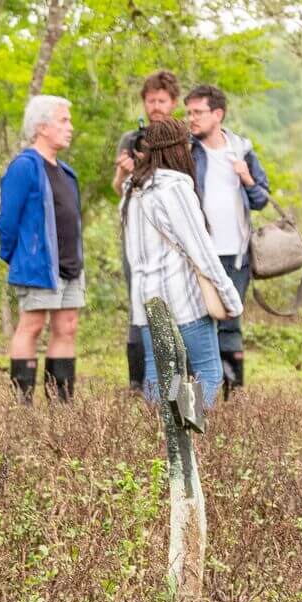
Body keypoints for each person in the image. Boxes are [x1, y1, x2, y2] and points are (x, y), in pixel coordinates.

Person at [121, 117, 244, 409]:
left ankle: (162, 441)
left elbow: (133, 254)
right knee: (208, 371)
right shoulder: (174, 188)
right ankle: (189, 435)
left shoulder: (133, 189)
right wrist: (231, 298)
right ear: (179, 149)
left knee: (158, 375)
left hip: (147, 301)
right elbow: (202, 251)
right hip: (182, 301)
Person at [184, 84, 272, 396]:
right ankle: (197, 396)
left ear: (217, 114)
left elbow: (262, 199)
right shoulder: (187, 151)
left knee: (231, 322)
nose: (192, 118)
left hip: (236, 253)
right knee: (196, 322)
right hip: (197, 254)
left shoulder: (243, 151)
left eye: (198, 112)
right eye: (189, 112)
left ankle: (234, 396)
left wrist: (246, 178)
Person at [0, 94, 83, 403]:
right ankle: (23, 403)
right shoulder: (24, 166)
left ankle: (62, 403)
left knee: (67, 326)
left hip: (70, 263)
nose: (69, 127)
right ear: (42, 126)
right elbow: (7, 220)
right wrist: (16, 256)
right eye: (63, 120)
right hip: (38, 263)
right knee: (32, 325)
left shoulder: (66, 172)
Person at [114, 71, 181, 392]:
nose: (155, 106)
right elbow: (118, 188)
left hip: (172, 236)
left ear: (173, 103)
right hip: (137, 236)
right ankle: (137, 381)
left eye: (162, 101)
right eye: (150, 100)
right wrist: (128, 171)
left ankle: (176, 375)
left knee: (178, 306)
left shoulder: (181, 138)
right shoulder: (132, 139)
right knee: (138, 303)